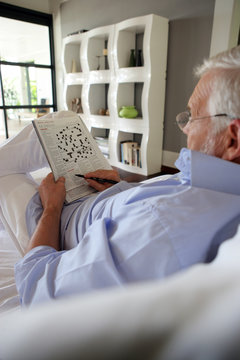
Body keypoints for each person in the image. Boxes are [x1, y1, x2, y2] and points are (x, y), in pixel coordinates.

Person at [1, 46, 240, 307]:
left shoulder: (162, 228)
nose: (185, 128)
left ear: (233, 139)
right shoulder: (218, 186)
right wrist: (119, 188)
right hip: (100, 195)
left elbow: (37, 289)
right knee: (65, 119)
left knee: (5, 168)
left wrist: (51, 208)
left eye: (193, 117)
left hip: (61, 222)